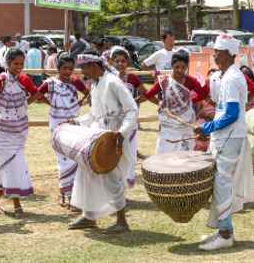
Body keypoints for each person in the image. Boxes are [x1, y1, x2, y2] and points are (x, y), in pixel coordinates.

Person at [193, 34, 253, 250]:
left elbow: (231, 114)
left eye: (217, 52)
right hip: (225, 136)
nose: (214, 55)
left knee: (222, 184)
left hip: (230, 136)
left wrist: (207, 128)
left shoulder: (232, 78)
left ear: (228, 54)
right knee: (220, 183)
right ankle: (223, 230)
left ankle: (225, 233)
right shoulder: (225, 75)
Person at [67, 51, 138, 233]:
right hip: (96, 136)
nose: (83, 71)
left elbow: (132, 110)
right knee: (86, 173)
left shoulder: (113, 82)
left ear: (94, 66)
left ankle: (122, 221)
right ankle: (89, 216)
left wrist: (121, 133)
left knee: (111, 177)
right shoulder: (95, 85)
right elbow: (94, 115)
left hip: (112, 137)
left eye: (84, 67)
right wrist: (76, 122)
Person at [0, 49, 38, 217]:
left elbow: (37, 93)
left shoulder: (24, 79)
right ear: (7, 64)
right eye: (15, 64)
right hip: (2, 132)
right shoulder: (0, 80)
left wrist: (23, 106)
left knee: (16, 166)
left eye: (21, 64)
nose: (18, 67)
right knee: (6, 167)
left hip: (18, 131)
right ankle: (12, 203)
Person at [35, 53, 87, 209]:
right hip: (57, 124)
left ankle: (74, 194)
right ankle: (64, 193)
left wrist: (78, 104)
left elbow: (88, 93)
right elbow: (37, 95)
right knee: (63, 160)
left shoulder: (76, 82)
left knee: (75, 158)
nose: (68, 72)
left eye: (71, 68)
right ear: (58, 69)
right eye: (64, 68)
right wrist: (51, 103)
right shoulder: (50, 83)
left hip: (73, 124)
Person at [144, 50, 208, 153]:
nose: (180, 70)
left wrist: (190, 101)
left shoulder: (191, 81)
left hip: (185, 126)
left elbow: (203, 94)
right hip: (168, 127)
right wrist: (160, 103)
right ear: (172, 65)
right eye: (177, 67)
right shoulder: (164, 81)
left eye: (183, 68)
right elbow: (148, 95)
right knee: (165, 159)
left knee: (184, 160)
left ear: (187, 67)